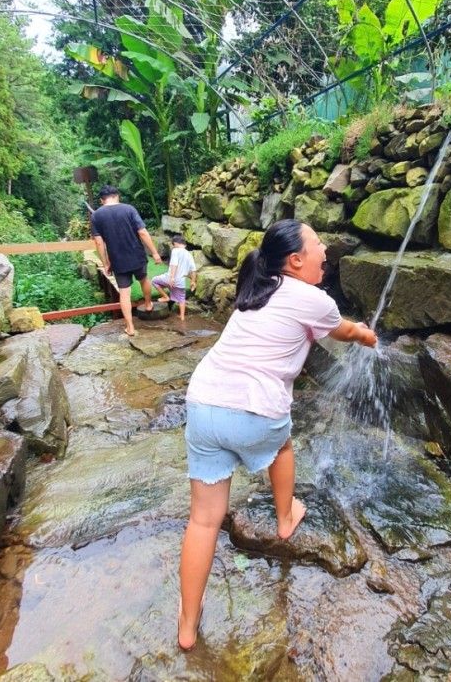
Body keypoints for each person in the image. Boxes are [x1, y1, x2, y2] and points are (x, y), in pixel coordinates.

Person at [177, 219, 377, 652]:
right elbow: (344, 331)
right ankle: (286, 518)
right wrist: (363, 332)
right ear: (296, 259)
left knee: (204, 520)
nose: (326, 248)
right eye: (318, 242)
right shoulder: (312, 298)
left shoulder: (257, 289)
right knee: (282, 443)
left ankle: (188, 625)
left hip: (203, 404)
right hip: (253, 412)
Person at [90, 184, 162, 337]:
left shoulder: (96, 215)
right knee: (144, 280)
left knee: (124, 292)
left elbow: (98, 242)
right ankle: (148, 304)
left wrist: (105, 263)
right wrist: (155, 253)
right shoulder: (129, 209)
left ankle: (130, 327)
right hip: (136, 254)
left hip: (117, 259)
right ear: (117, 196)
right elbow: (142, 232)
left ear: (102, 200)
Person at [152, 234, 197, 321]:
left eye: (173, 244)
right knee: (181, 299)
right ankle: (182, 317)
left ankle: (166, 297)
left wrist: (172, 278)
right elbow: (194, 270)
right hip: (181, 282)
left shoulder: (175, 250)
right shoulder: (189, 254)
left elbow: (174, 264)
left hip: (170, 278)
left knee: (154, 281)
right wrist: (193, 281)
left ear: (175, 243)